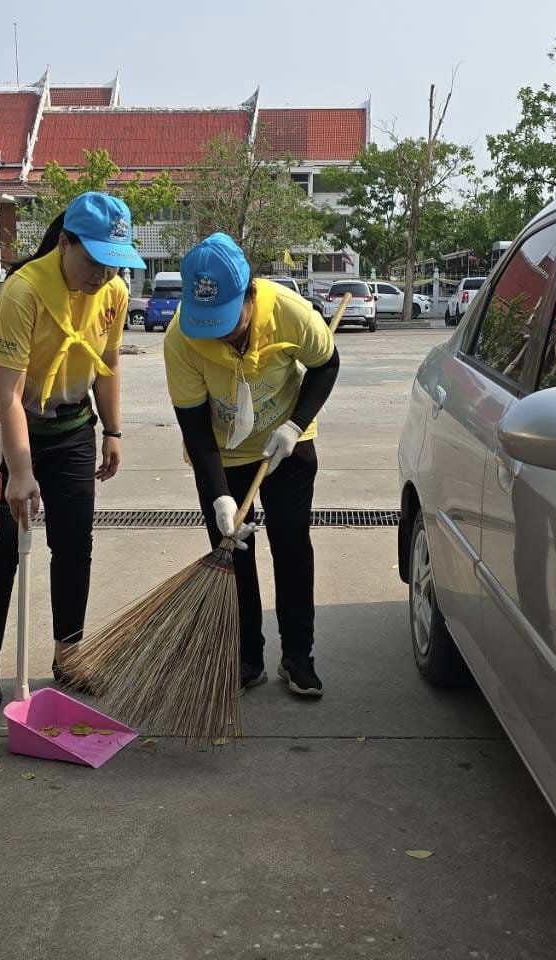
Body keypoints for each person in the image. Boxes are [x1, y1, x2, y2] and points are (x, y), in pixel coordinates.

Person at [0, 192, 143, 711]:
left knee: (73, 545)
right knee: (1, 550)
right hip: (15, 429)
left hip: (72, 427)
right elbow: (7, 395)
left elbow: (108, 361)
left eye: (114, 265)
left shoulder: (113, 293)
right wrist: (20, 472)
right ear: (65, 243)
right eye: (94, 261)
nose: (104, 275)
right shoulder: (24, 292)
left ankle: (69, 653)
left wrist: (112, 430)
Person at [164, 233, 341, 697]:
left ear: (250, 293)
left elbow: (326, 364)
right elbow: (195, 426)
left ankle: (298, 656)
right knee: (234, 556)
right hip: (220, 452)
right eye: (210, 323)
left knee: (291, 547)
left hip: (286, 444)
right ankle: (247, 657)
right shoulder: (181, 338)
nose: (221, 333)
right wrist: (219, 493)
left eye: (228, 320)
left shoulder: (290, 311)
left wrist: (296, 424)